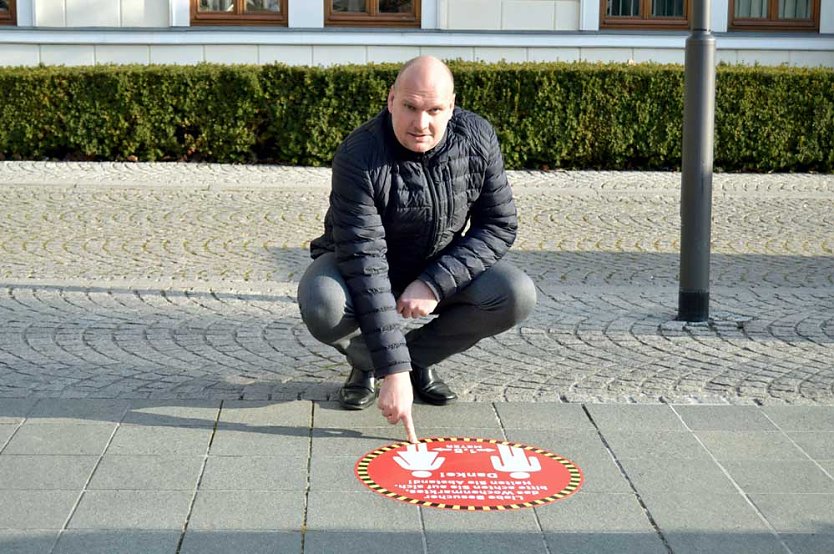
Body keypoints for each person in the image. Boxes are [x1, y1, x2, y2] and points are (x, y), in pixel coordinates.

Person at [297, 56, 536, 443]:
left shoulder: (477, 137)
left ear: (452, 107)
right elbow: (366, 262)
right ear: (391, 99)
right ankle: (386, 364)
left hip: (438, 262)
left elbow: (499, 224)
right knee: (322, 304)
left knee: (515, 294)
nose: (421, 124)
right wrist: (393, 373)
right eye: (409, 106)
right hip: (359, 264)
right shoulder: (359, 155)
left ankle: (404, 359)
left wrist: (434, 283)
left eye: (434, 110)